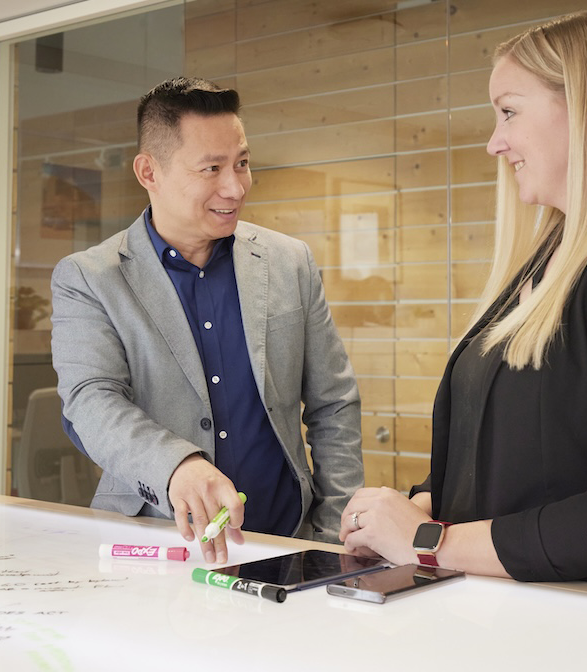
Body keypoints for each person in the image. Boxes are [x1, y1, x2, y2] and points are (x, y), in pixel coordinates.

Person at [339, 11, 587, 596]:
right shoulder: (553, 253)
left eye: (509, 111)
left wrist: (428, 541)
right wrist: (409, 508)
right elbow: (527, 456)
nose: (495, 142)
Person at [51, 78, 363, 564]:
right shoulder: (89, 278)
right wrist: (176, 466)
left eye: (242, 162)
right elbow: (90, 401)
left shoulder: (289, 262)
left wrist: (329, 533)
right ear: (148, 171)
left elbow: (334, 404)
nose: (235, 187)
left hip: (287, 542)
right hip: (155, 548)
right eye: (211, 168)